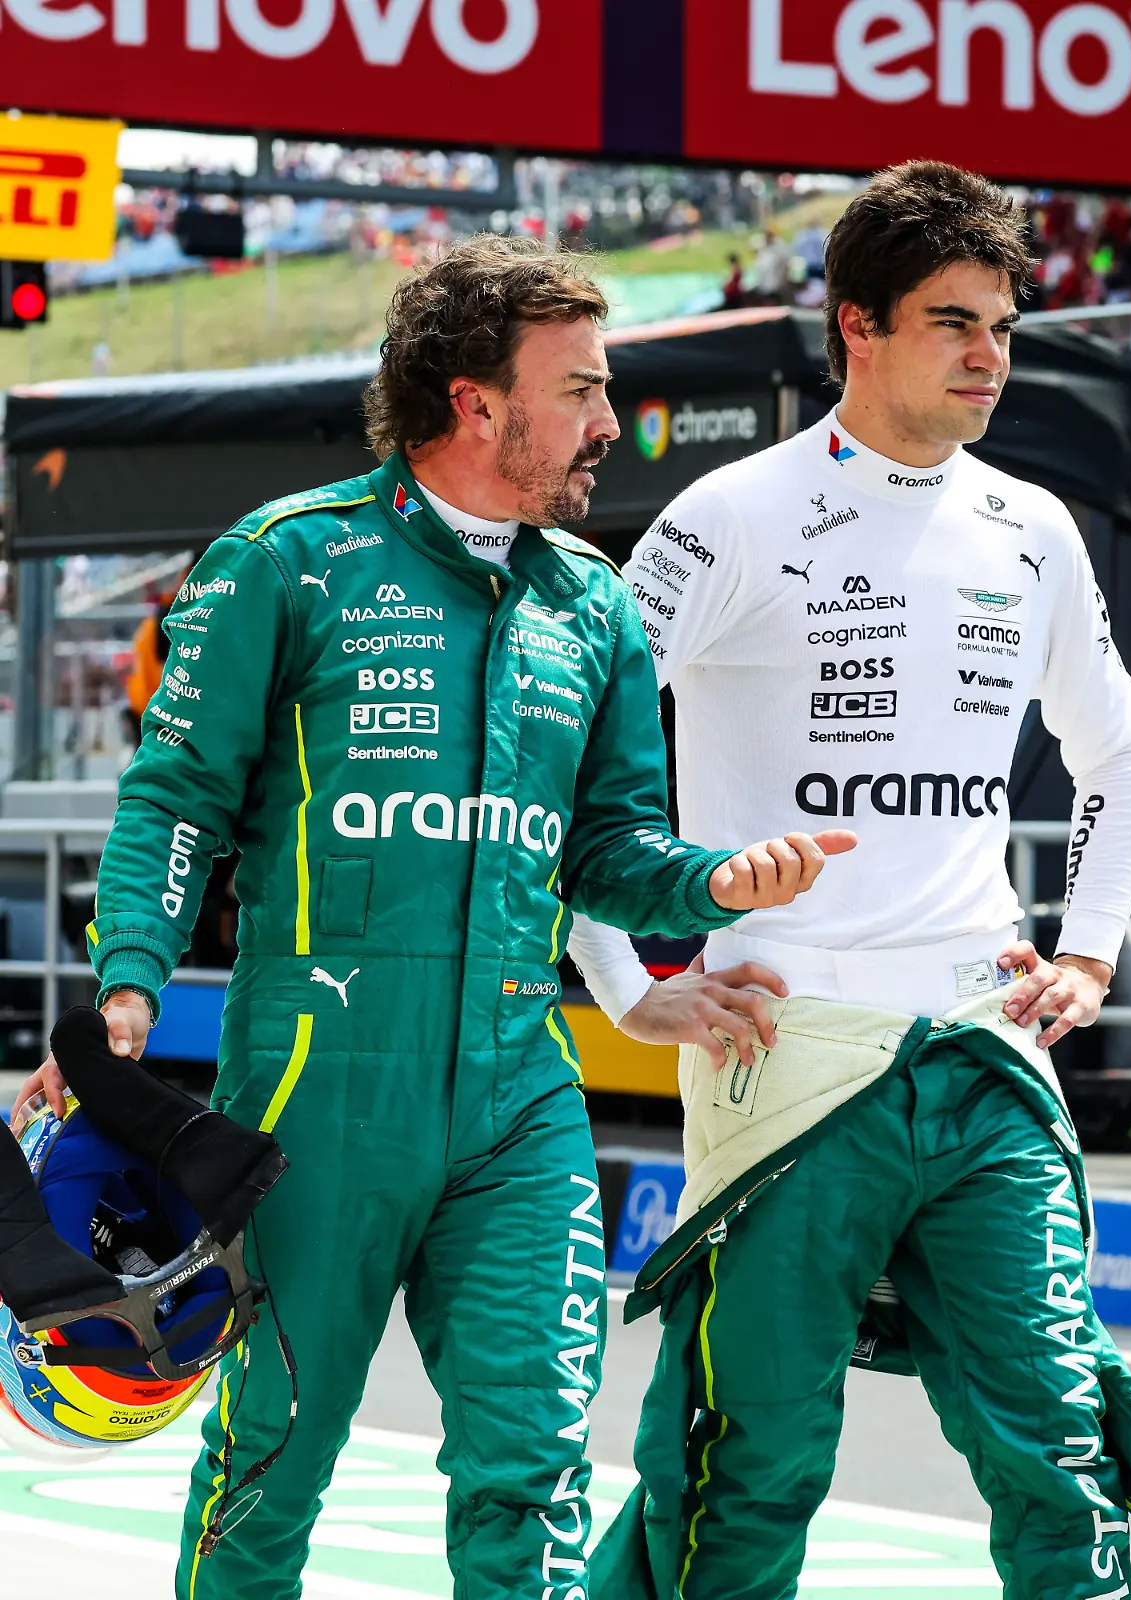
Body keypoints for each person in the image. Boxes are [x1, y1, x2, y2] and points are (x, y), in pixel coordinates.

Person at [14, 236, 849, 1600]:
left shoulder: (595, 610)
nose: (606, 422)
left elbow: (611, 851)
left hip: (523, 1094)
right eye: (577, 389)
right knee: (270, 1464)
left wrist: (713, 885)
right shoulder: (285, 562)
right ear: (474, 402)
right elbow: (174, 802)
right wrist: (125, 993)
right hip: (307, 1098)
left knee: (532, 1476)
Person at [568, 164, 1131, 1598]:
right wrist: (629, 986)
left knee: (1059, 1448)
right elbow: (574, 762)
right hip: (790, 1061)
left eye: (1005, 324)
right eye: (953, 323)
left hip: (983, 1049)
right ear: (857, 326)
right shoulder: (725, 518)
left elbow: (1121, 761)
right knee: (753, 1468)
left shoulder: (1032, 528)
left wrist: (1090, 951)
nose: (991, 355)